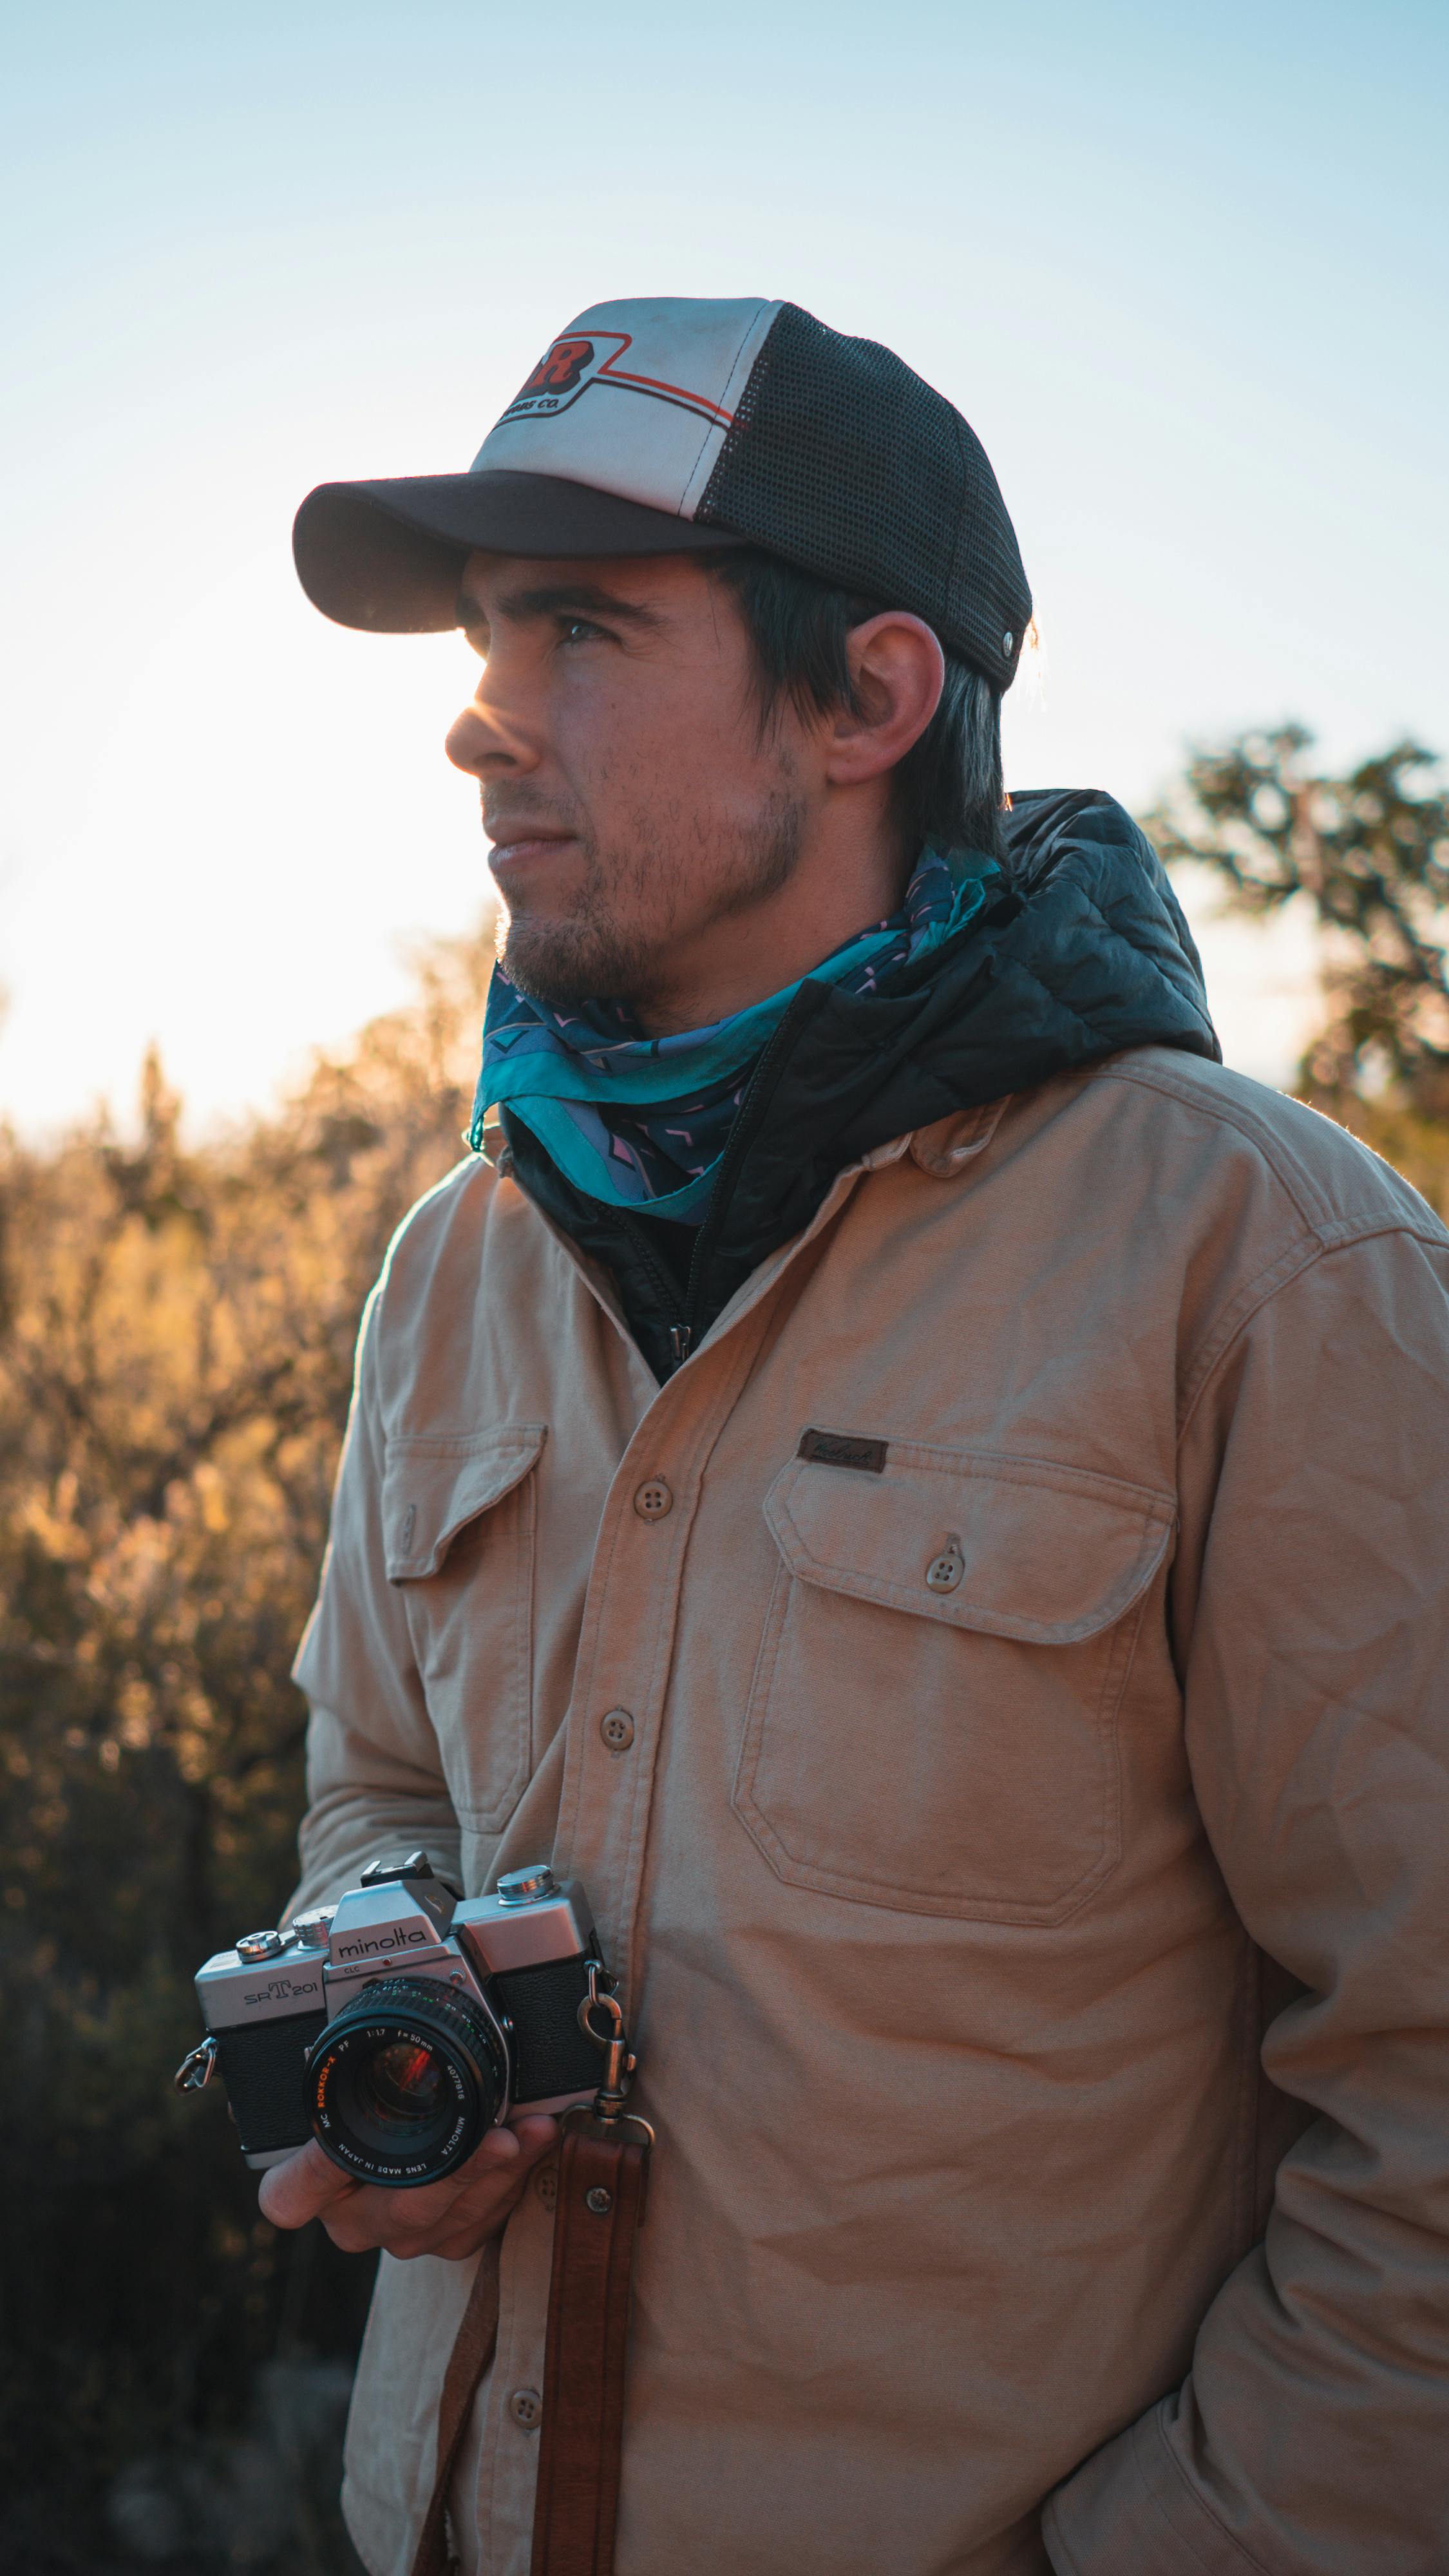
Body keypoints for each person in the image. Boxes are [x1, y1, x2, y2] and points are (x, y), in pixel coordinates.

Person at [265, 298, 1449, 2575]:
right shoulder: (461, 1262)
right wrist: (384, 1955)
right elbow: (373, 1783)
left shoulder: (1261, 1264)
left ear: (867, 699)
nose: (476, 716)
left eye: (577, 627)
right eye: (487, 634)